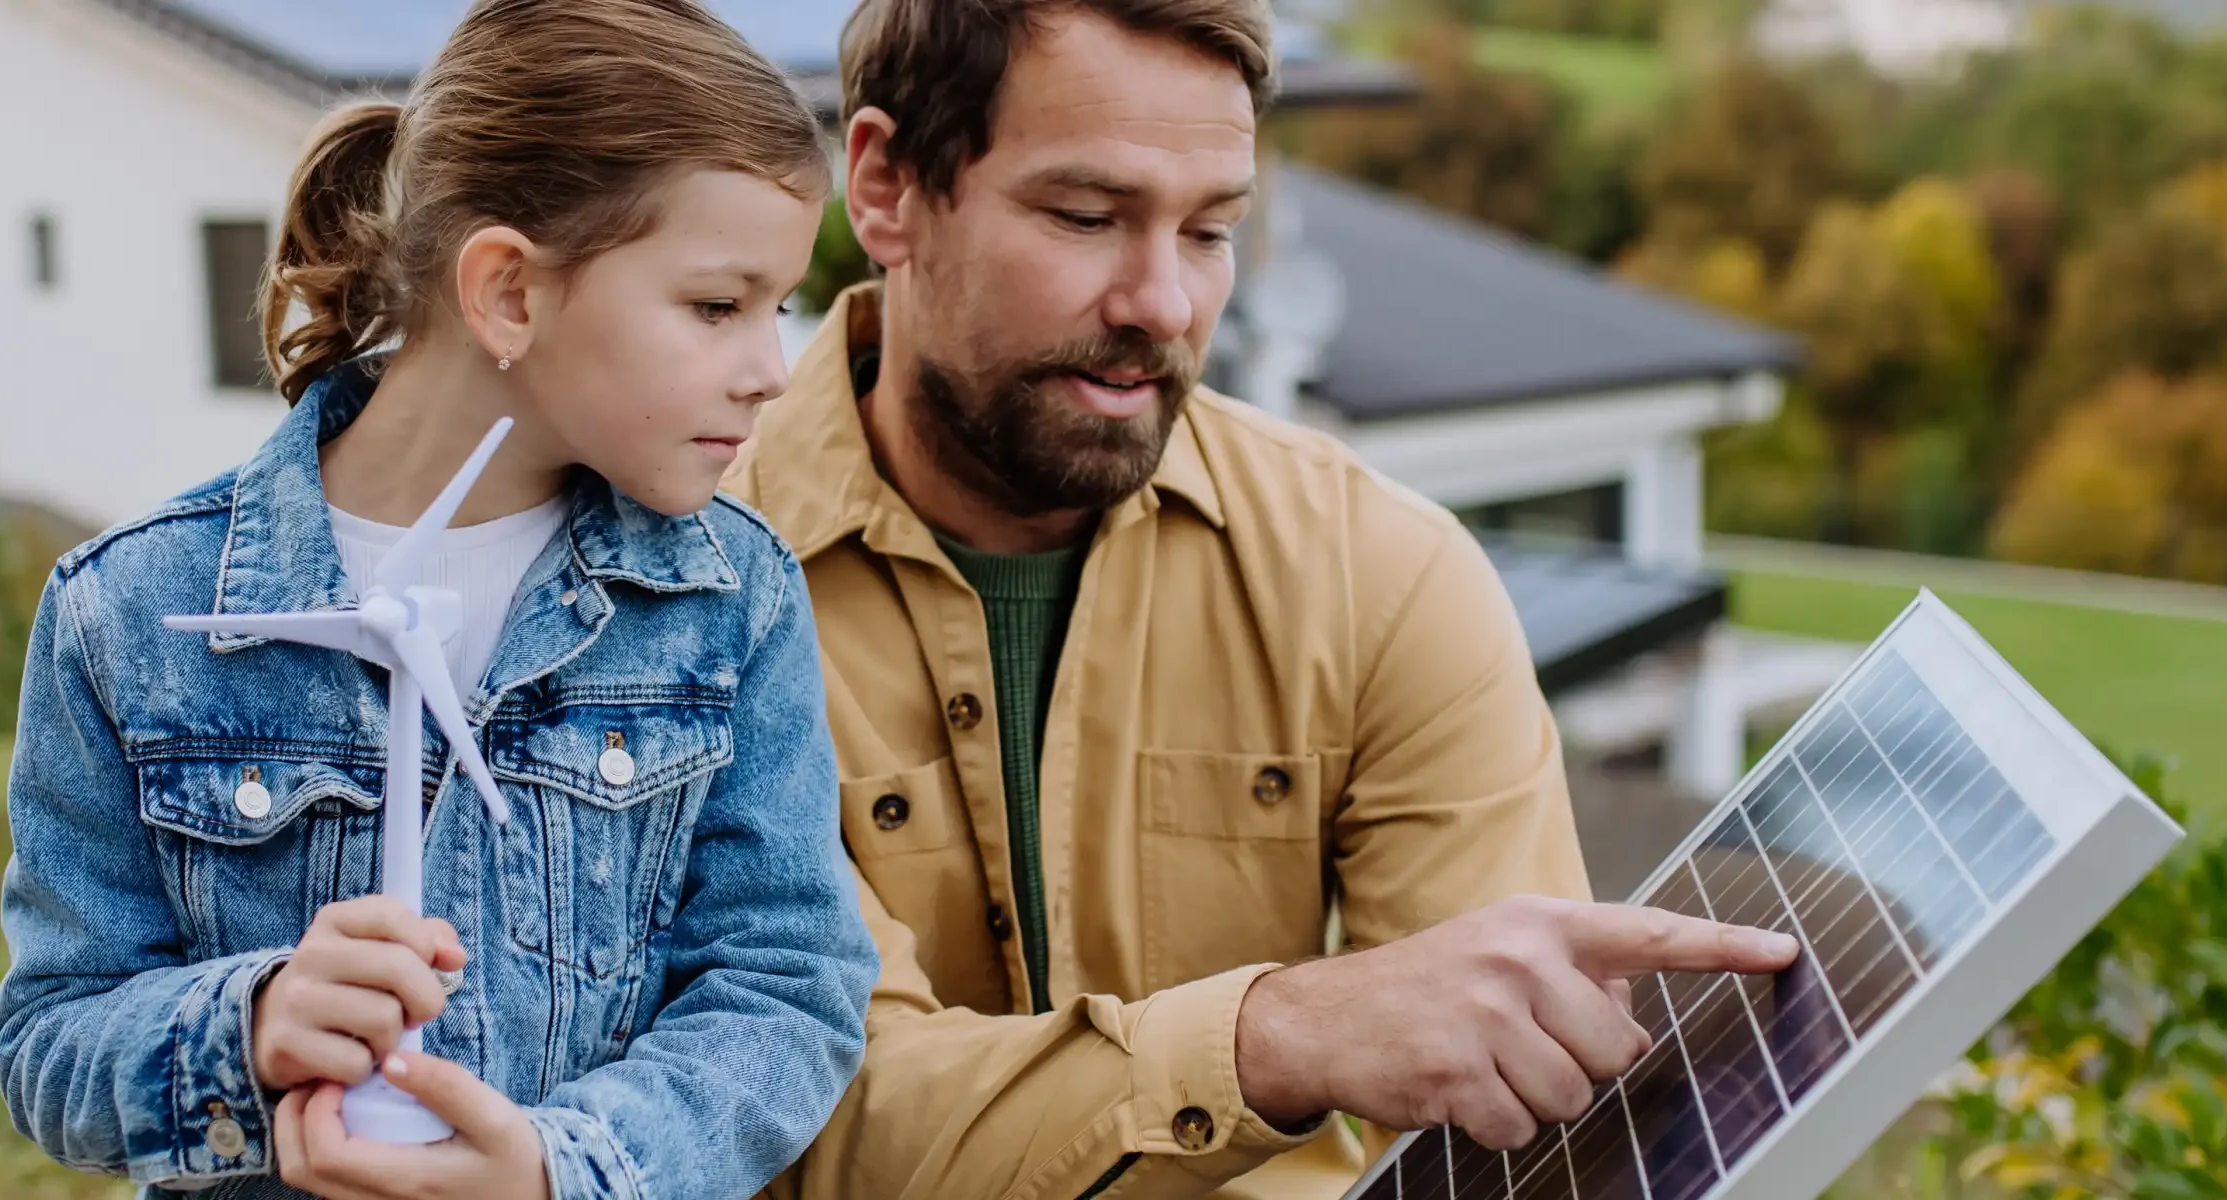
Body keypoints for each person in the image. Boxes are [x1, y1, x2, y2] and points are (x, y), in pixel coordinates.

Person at [720, 2, 1801, 1197]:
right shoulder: (656, 586)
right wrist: (1280, 1037)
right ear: (883, 187)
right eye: (1088, 217)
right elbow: (804, 1126)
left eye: (1211, 230)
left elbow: (1511, 1138)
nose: (1164, 305)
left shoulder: (1376, 574)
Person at [0, 3, 878, 1197]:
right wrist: (247, 1027)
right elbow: (51, 1043)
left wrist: (566, 1172)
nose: (774, 367)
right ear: (509, 291)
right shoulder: (130, 614)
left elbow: (787, 988)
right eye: (720, 306)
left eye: (779, 306)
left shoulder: (731, 597)